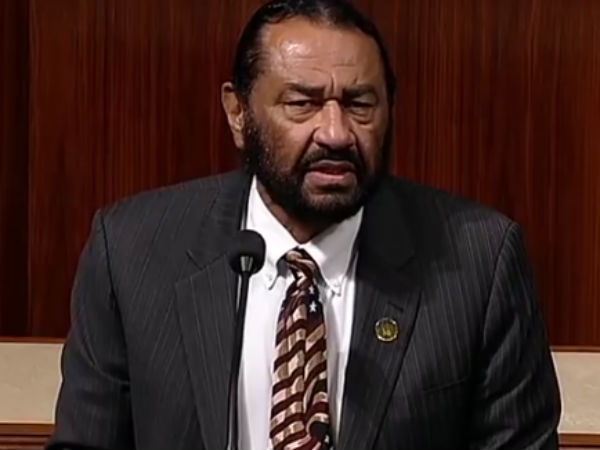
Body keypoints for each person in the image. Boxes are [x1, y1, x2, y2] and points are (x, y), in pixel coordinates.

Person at [48, 0, 561, 449]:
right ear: (238, 113)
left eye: (360, 104)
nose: (336, 133)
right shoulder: (132, 251)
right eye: (302, 103)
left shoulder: (480, 261)